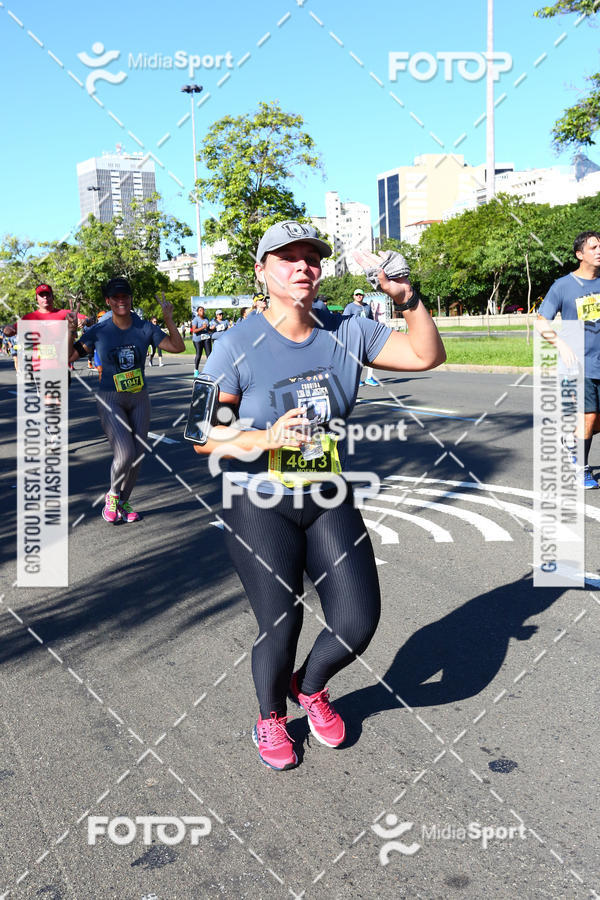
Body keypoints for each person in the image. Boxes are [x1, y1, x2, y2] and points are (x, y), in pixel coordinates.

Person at [194, 220, 445, 770]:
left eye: (311, 256)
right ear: (262, 271)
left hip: (327, 493)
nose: (302, 266)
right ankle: (270, 718)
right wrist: (265, 436)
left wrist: (408, 298)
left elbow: (426, 356)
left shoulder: (345, 331)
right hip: (259, 501)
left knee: (357, 621)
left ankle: (309, 688)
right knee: (281, 624)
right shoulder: (235, 344)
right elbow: (201, 434)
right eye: (287, 258)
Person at [67, 277, 185, 523]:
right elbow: (69, 355)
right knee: (124, 453)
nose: (121, 301)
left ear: (131, 299)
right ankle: (112, 495)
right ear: (108, 301)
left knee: (138, 455)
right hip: (111, 398)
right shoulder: (99, 331)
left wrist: (169, 320)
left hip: (140, 399)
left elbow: (177, 346)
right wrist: (70, 331)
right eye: (116, 298)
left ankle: (123, 501)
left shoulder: (144, 328)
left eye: (125, 297)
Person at [536, 231, 600, 489]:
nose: (599, 251)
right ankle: (580, 469)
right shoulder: (563, 285)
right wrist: (560, 345)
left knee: (594, 421)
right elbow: (541, 323)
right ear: (579, 255)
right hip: (579, 364)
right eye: (594, 247)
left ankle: (571, 442)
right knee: (589, 415)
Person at [343, 288, 378, 386]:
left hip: (367, 335)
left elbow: (371, 319)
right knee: (356, 358)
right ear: (354, 296)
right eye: (357, 294)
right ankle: (356, 379)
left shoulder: (367, 307)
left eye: (361, 295)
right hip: (354, 335)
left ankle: (369, 378)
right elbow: (344, 320)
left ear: (363, 296)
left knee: (371, 356)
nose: (359, 296)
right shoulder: (349, 307)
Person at [191, 305, 211, 377]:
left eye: (203, 310)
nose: (202, 311)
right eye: (200, 310)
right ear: (197, 312)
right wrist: (203, 327)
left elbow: (208, 329)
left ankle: (210, 370)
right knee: (199, 354)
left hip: (206, 338)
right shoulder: (195, 319)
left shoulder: (206, 319)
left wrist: (211, 329)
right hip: (197, 339)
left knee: (209, 355)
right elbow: (194, 330)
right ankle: (196, 370)